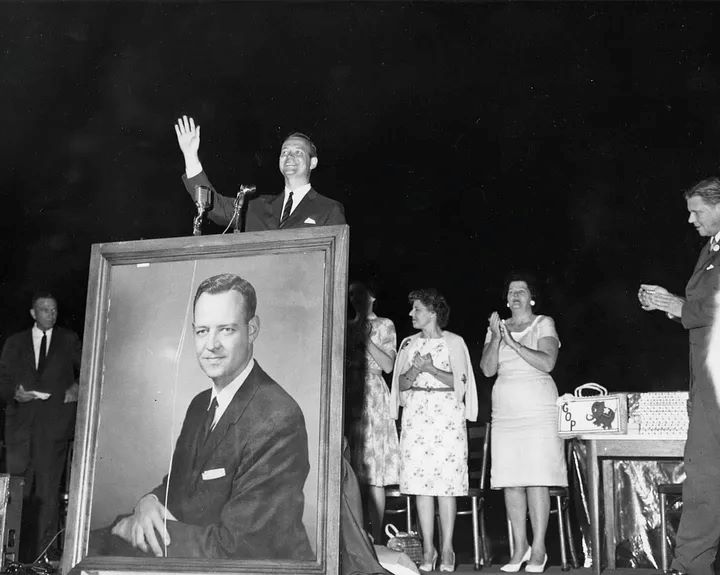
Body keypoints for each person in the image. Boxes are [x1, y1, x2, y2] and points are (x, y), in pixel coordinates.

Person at [89, 273, 312, 560]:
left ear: (252, 329)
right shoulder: (199, 405)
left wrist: (134, 528)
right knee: (89, 546)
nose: (212, 345)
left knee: (103, 546)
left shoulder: (278, 418)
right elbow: (181, 486)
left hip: (246, 567)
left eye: (227, 330)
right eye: (202, 331)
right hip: (199, 553)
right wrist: (149, 502)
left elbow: (238, 548)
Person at [638, 177, 720, 575]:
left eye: (697, 211)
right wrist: (669, 306)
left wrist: (678, 304)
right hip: (705, 385)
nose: (690, 219)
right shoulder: (709, 250)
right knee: (703, 479)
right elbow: (704, 311)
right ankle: (689, 567)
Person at [479, 274, 566, 574]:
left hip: (538, 409)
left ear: (531, 298)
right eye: (511, 291)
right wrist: (495, 337)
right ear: (506, 299)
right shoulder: (498, 328)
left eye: (522, 291)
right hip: (506, 411)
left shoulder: (544, 323)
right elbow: (488, 369)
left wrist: (514, 344)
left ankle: (539, 549)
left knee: (536, 477)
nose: (515, 295)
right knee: (511, 479)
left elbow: (547, 362)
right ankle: (519, 548)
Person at [389, 288, 478, 573]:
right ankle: (429, 547)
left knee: (446, 484)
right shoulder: (407, 344)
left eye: (417, 309)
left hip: (446, 416)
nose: (411, 314)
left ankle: (448, 547)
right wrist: (415, 371)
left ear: (433, 312)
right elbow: (400, 384)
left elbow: (461, 383)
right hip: (416, 415)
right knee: (421, 485)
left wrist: (431, 369)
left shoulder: (454, 343)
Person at [0, 292, 82, 563]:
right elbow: (2, 383)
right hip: (20, 431)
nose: (51, 313)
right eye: (45, 309)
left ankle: (45, 556)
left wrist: (78, 387)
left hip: (54, 429)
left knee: (48, 493)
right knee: (16, 492)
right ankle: (10, 554)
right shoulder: (14, 343)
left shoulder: (69, 340)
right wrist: (14, 393)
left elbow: (89, 369)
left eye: (54, 310)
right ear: (33, 313)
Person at [174, 115, 346, 231]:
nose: (289, 156)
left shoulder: (329, 209)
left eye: (298, 152)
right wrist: (190, 156)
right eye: (284, 152)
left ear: (313, 163)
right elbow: (214, 206)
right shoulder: (255, 206)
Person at [346, 281, 399, 542]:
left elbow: (388, 365)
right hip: (349, 397)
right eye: (352, 294)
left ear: (373, 297)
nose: (356, 298)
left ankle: (377, 539)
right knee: (352, 472)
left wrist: (365, 339)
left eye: (361, 293)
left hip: (374, 395)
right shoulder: (344, 324)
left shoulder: (384, 325)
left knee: (374, 472)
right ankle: (355, 539)